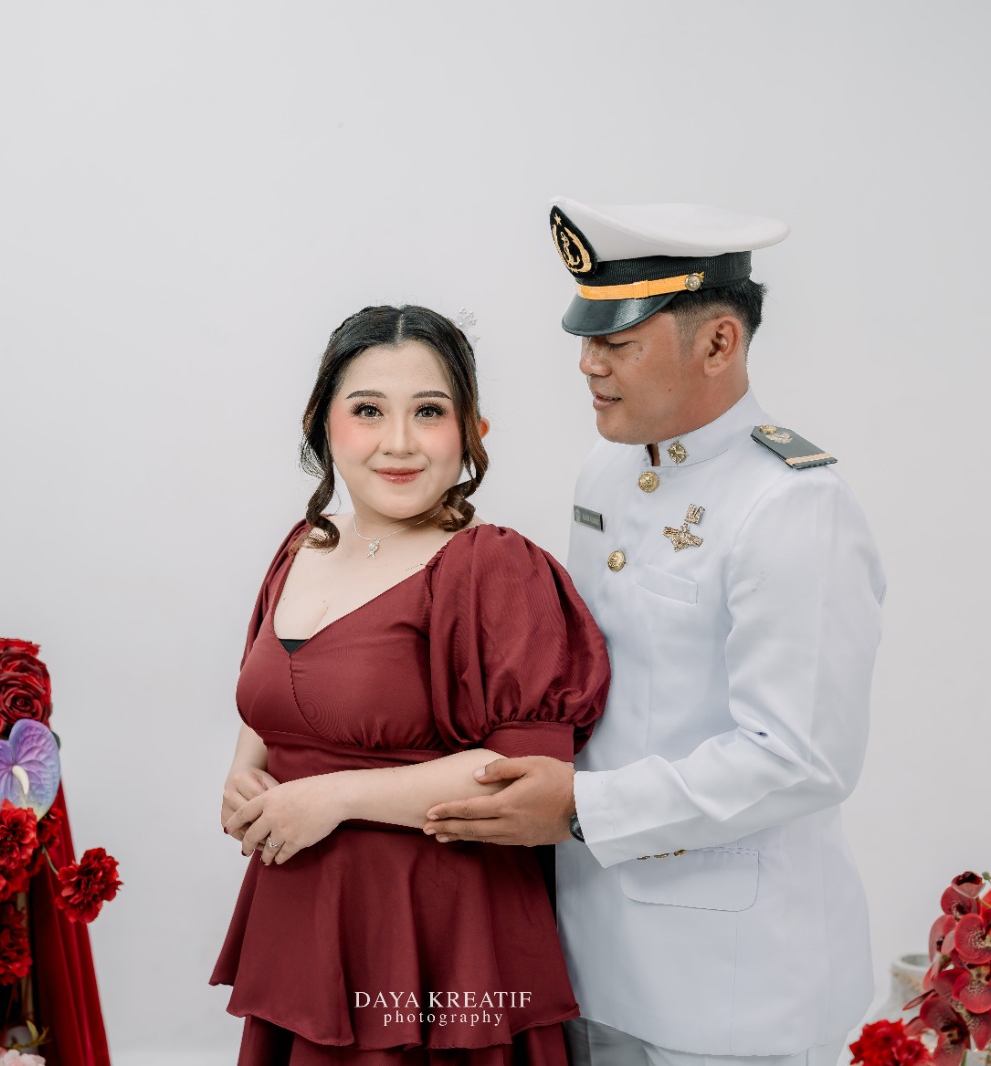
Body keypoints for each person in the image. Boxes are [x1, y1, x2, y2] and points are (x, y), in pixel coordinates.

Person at [423, 199, 887, 1066]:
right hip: (591, 949)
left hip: (734, 983)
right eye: (586, 336)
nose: (588, 363)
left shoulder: (792, 505)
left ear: (719, 343)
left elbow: (800, 757)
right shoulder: (607, 468)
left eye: (620, 341)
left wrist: (579, 807)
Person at [209, 304, 611, 1065]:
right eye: (368, 410)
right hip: (302, 926)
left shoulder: (492, 565)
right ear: (322, 423)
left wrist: (334, 797)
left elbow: (527, 779)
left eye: (429, 411)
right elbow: (273, 701)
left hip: (444, 940)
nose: (399, 442)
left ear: (471, 431)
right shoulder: (301, 549)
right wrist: (244, 773)